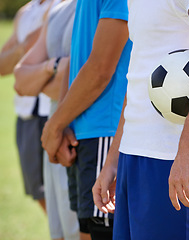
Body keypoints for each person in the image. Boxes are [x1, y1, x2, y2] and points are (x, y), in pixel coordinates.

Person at [92, 0, 189, 240]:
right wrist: (113, 160)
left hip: (171, 161)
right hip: (131, 158)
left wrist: (188, 149)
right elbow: (139, 77)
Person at [40, 0, 132, 239]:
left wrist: (54, 126)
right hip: (82, 132)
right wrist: (62, 123)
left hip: (106, 132)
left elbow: (101, 69)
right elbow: (75, 59)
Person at [14, 1, 90, 240]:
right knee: (59, 234)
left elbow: (89, 80)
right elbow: (20, 80)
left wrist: (41, 78)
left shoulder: (97, 7)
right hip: (54, 137)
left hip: (81, 140)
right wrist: (54, 66)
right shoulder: (56, 10)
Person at [0, 0, 61, 212]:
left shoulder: (60, 5)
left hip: (50, 114)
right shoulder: (24, 12)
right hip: (25, 116)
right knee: (40, 195)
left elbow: (28, 48)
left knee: (61, 200)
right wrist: (23, 49)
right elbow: (2, 65)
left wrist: (21, 50)